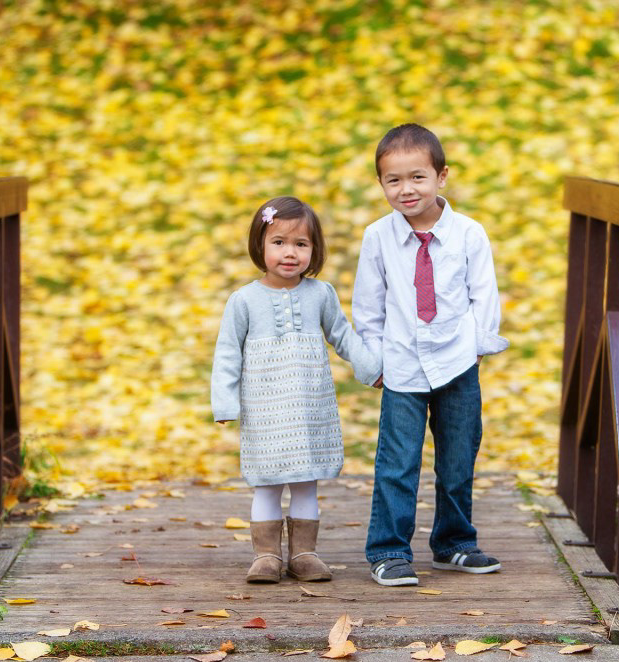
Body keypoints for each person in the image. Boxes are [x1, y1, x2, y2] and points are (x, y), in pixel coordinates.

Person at [353, 123, 509, 586]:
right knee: (398, 462)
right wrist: (374, 360)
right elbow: (368, 306)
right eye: (393, 180)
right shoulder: (377, 237)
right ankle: (388, 550)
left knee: (458, 458)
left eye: (417, 177)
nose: (406, 189)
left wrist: (478, 347)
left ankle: (454, 542)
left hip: (457, 361)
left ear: (442, 176)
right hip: (402, 363)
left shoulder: (469, 234)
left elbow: (484, 294)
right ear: (381, 184)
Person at [212, 196, 381, 584]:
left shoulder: (321, 294)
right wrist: (224, 402)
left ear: (314, 250)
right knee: (267, 483)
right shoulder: (244, 300)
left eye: (301, 244)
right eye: (279, 242)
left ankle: (304, 553)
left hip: (309, 408)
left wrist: (371, 368)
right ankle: (267, 555)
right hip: (265, 409)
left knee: (306, 481)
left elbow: (342, 335)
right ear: (260, 245)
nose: (290, 253)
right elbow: (227, 352)